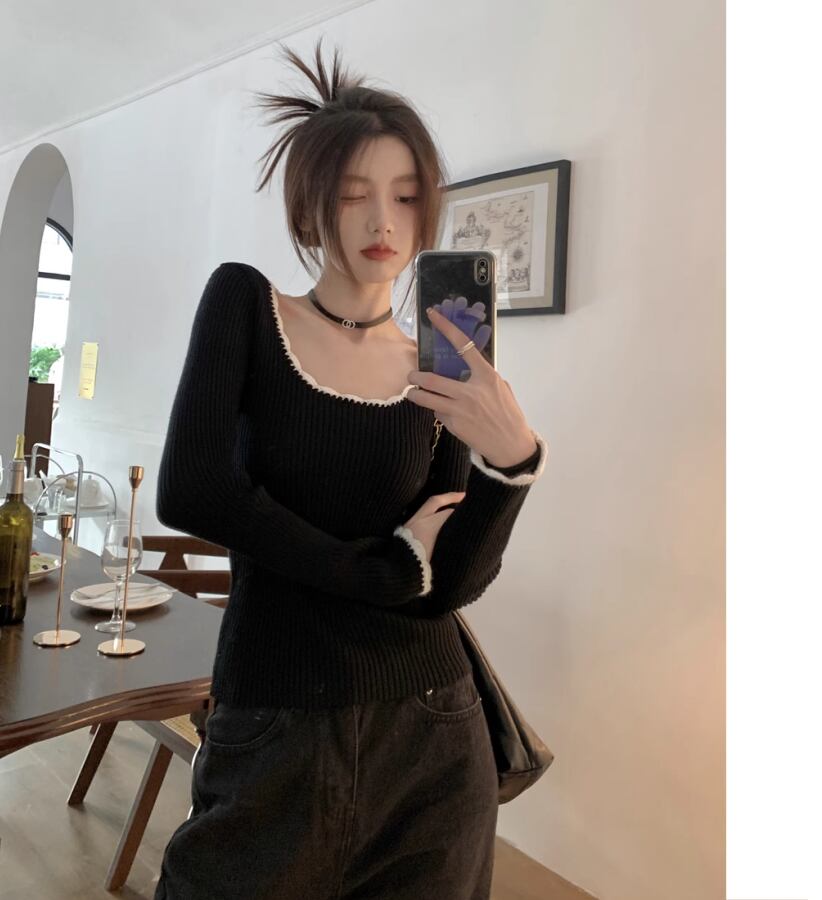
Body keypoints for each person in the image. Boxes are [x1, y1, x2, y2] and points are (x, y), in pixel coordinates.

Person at [153, 37, 548, 900]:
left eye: (406, 197)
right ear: (310, 207)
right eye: (353, 194)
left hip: (433, 730)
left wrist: (512, 464)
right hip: (276, 719)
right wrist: (375, 571)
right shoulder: (248, 307)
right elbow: (193, 489)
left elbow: (442, 586)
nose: (383, 223)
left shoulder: (437, 369)